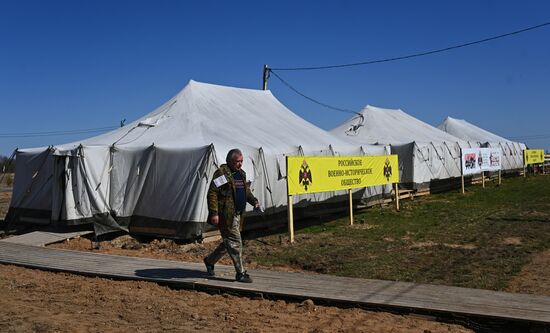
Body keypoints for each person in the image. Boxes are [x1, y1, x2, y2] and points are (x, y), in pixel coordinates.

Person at [203, 148, 261, 283]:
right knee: (235, 242)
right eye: (237, 161)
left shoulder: (241, 174)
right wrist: (214, 213)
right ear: (230, 161)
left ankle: (209, 260)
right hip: (226, 215)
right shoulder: (223, 174)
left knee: (228, 242)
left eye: (241, 161)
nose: (240, 164)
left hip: (238, 215)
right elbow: (212, 193)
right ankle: (240, 273)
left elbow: (246, 192)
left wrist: (254, 201)